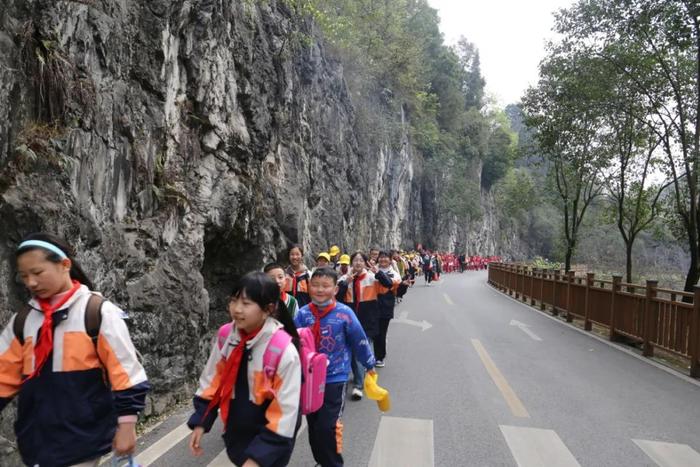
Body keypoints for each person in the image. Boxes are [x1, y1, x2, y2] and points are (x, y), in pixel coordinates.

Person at [0, 233, 150, 467]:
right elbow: (3, 376)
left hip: (82, 440)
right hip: (35, 442)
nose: (31, 283)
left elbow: (128, 375)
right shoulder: (24, 320)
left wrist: (127, 425)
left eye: (37, 273)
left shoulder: (97, 312)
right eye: (24, 276)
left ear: (65, 265)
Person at [189, 272, 302, 467]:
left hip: (272, 442)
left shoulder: (283, 351)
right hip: (237, 434)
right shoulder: (227, 336)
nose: (237, 309)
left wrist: (258, 457)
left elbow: (285, 412)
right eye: (233, 301)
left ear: (268, 309)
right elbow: (213, 379)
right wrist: (202, 420)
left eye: (246, 303)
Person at [294, 268, 376, 467]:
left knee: (327, 427)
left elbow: (360, 340)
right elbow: (291, 341)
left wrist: (369, 364)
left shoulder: (345, 314)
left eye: (325, 286)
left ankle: (333, 464)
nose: (319, 290)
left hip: (335, 378)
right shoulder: (303, 314)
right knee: (313, 426)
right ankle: (321, 461)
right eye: (315, 285)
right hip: (310, 379)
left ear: (335, 289)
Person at [336, 252, 391, 400]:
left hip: (368, 321)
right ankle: (361, 375)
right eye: (355, 260)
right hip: (350, 322)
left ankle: (358, 386)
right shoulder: (345, 279)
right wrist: (345, 282)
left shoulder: (372, 278)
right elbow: (336, 297)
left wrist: (378, 272)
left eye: (361, 260)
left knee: (361, 351)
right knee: (354, 353)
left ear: (366, 263)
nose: (358, 263)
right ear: (351, 263)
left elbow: (388, 284)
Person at [374, 251, 402, 368]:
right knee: (373, 332)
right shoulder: (371, 270)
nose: (383, 260)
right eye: (381, 257)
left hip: (385, 306)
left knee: (381, 332)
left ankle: (380, 357)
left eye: (386, 258)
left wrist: (378, 273)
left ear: (390, 260)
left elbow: (389, 284)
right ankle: (372, 355)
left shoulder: (394, 274)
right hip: (371, 305)